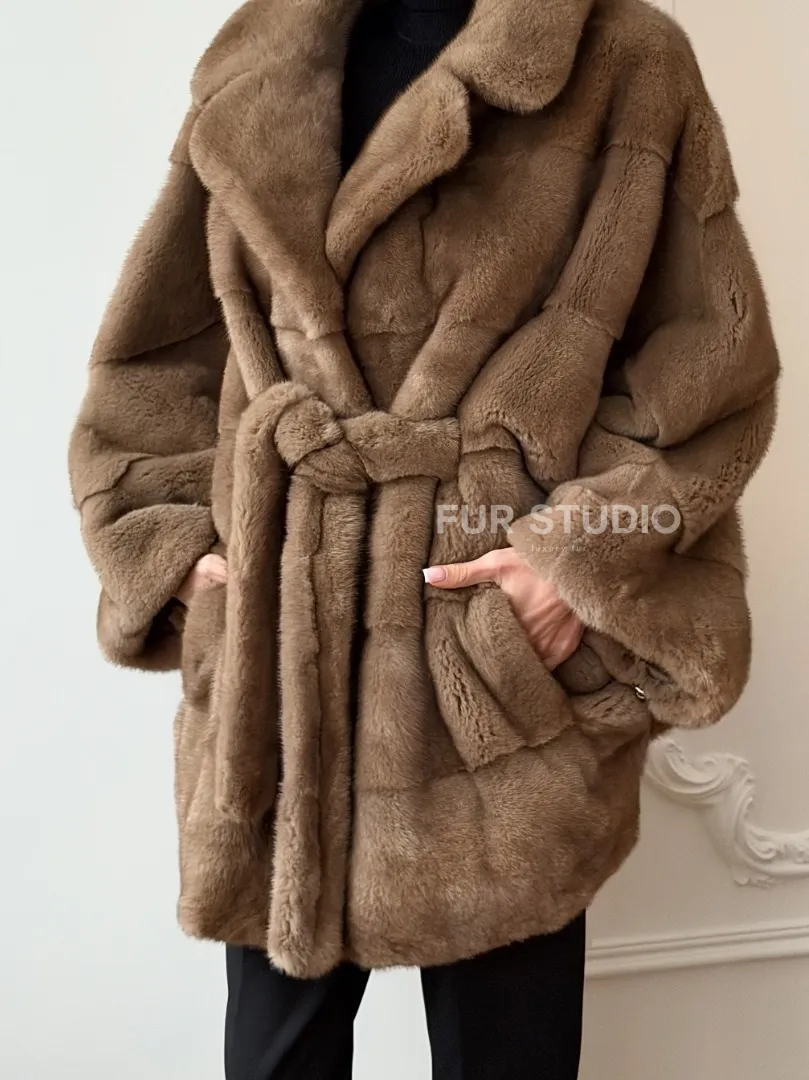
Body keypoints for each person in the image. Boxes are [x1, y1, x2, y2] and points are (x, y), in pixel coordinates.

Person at [67, 0, 780, 1075]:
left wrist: (570, 565)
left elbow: (711, 370)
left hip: (495, 679)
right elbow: (152, 362)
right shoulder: (259, 57)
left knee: (507, 1056)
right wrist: (182, 564)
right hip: (281, 674)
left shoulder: (620, 58)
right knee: (273, 1055)